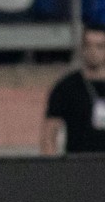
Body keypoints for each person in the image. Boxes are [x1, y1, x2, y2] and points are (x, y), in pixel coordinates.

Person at [41, 24, 105, 154]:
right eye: (88, 45)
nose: (93, 51)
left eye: (100, 46)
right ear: (82, 48)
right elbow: (49, 133)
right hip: (78, 165)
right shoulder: (66, 87)